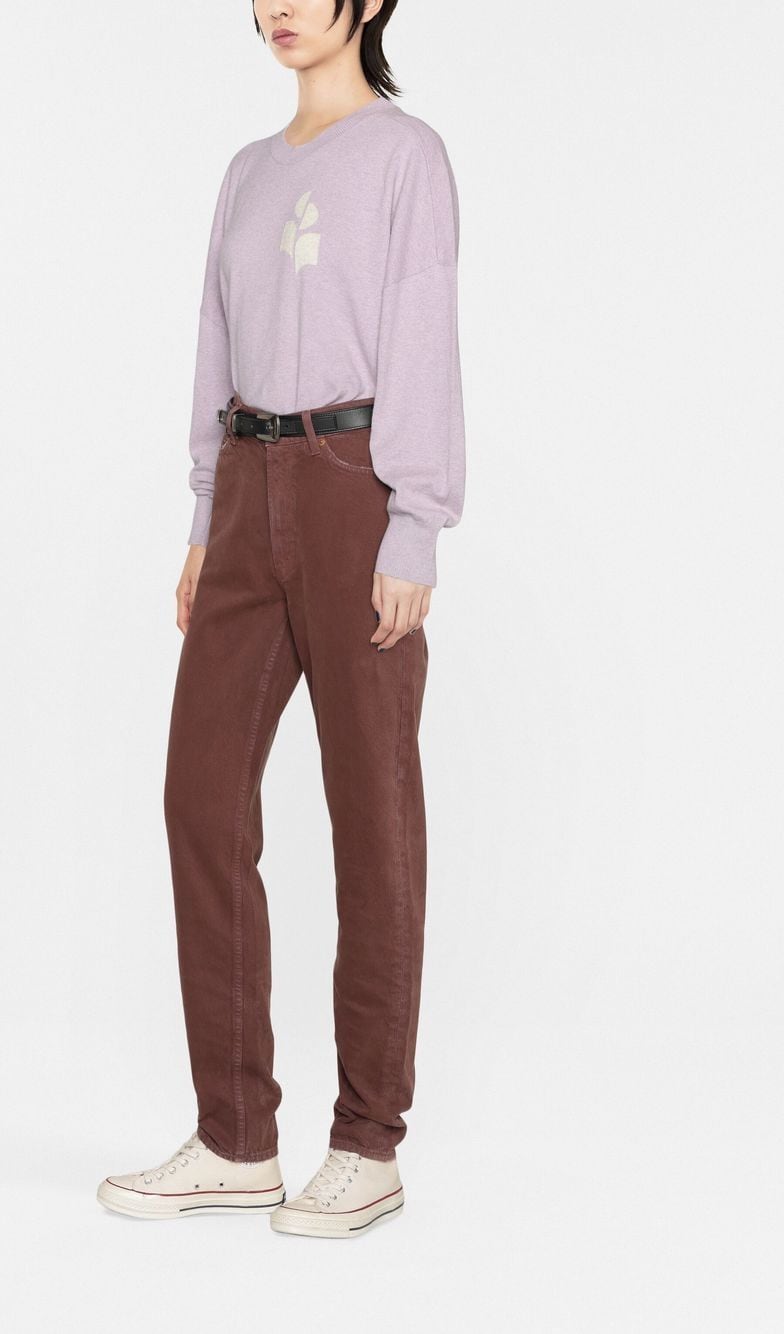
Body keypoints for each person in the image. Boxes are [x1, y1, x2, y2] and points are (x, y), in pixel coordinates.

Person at [96, 0, 465, 1239]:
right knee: (200, 798)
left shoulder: (406, 155)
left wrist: (415, 521)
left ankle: (368, 1142)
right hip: (248, 488)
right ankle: (236, 1135)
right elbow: (214, 340)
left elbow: (423, 334)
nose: (279, 8)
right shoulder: (246, 171)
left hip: (356, 486)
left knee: (372, 813)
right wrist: (207, 518)